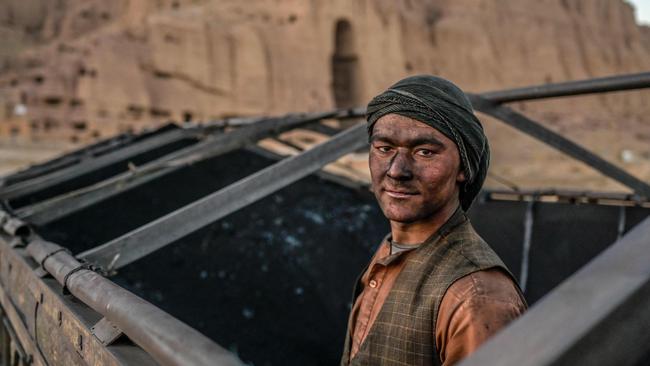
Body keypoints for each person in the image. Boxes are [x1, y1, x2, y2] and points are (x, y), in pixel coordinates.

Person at [340, 75, 527, 366]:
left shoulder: (475, 296)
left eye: (424, 152)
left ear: (463, 167)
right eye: (384, 149)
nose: (397, 171)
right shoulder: (389, 254)